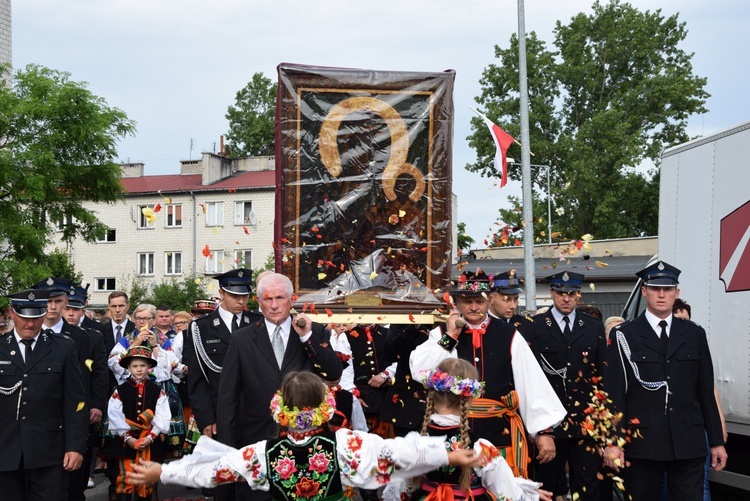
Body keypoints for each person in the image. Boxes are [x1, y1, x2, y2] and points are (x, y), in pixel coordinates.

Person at [129, 371, 484, 495]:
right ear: (325, 406)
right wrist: (447, 454)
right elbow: (395, 453)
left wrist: (164, 471)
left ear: (280, 409)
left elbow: (214, 471)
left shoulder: (262, 452)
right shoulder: (346, 443)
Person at [410, 269, 566, 479]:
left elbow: (531, 382)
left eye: (479, 301)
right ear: (456, 302)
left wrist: (543, 432)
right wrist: (450, 337)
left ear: (490, 300)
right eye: (467, 301)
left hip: (499, 433)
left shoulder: (509, 334)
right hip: (453, 433)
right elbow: (420, 371)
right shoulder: (440, 334)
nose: (474, 307)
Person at [604, 261, 727, 501]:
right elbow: (614, 394)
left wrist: (716, 441)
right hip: (642, 443)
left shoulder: (694, 333)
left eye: (668, 289)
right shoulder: (624, 335)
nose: (662, 294)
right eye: (655, 288)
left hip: (688, 442)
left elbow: (705, 391)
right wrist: (613, 441)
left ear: (676, 293)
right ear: (644, 291)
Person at [216, 272, 344, 501]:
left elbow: (334, 372)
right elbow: (228, 397)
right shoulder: (241, 339)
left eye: (280, 298)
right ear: (258, 301)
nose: (274, 306)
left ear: (292, 299)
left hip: (305, 446)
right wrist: (227, 449)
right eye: (267, 299)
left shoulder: (313, 331)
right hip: (255, 442)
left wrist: (307, 337)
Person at [409, 358, 551, 501]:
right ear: (470, 400)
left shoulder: (416, 440)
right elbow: (507, 493)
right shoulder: (480, 447)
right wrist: (529, 494)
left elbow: (401, 484)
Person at [524, 271, 607, 500]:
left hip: (586, 424)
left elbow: (602, 375)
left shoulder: (593, 326)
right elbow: (530, 380)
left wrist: (603, 426)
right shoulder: (536, 326)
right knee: (549, 488)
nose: (566, 299)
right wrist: (541, 429)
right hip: (550, 423)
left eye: (572, 294)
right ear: (551, 293)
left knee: (588, 488)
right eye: (561, 293)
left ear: (579, 295)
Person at [0, 288, 89, 500]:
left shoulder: (63, 348)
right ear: (12, 314)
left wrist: (75, 447)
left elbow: (76, 402)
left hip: (49, 451)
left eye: (36, 318)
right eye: (23, 318)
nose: (30, 324)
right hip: (5, 448)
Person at [182, 268, 261, 444]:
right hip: (219, 412)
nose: (241, 301)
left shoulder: (258, 323)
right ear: (221, 293)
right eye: (235, 296)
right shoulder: (201, 327)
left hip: (255, 413)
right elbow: (197, 378)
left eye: (245, 296)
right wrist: (206, 417)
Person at [107, 303, 186, 458]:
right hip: (133, 387)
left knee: (162, 420)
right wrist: (135, 343)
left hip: (159, 388)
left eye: (147, 318)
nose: (142, 322)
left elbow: (171, 365)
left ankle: (162, 452)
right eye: (139, 318)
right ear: (134, 319)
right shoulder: (127, 339)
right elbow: (113, 363)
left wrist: (155, 345)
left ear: (153, 320)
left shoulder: (163, 340)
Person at [103, 345, 171, 501]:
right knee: (124, 478)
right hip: (125, 442)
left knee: (148, 481)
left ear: (149, 367)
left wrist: (151, 437)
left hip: (150, 441)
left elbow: (162, 416)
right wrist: (128, 438)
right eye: (135, 366)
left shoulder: (157, 390)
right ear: (128, 367)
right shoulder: (119, 391)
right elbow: (115, 416)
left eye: (142, 366)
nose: (139, 369)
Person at [62, 282, 110, 498]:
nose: (71, 314)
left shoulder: (92, 336)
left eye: (75, 309)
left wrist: (98, 406)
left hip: (84, 405)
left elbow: (100, 376)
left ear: (83, 310)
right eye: (67, 309)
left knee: (81, 461)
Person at [102, 291, 136, 393]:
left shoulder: (136, 331)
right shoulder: (100, 331)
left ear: (128, 306)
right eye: (114, 306)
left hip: (132, 384)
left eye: (121, 306)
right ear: (109, 307)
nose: (117, 310)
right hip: (106, 386)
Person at [488, 270, 535, 334]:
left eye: (515, 299)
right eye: (507, 300)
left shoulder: (528, 326)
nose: (513, 306)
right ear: (491, 299)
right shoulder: (478, 324)